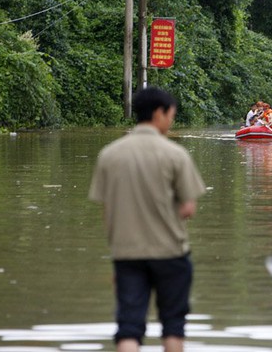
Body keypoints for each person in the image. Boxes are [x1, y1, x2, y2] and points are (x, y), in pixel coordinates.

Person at [88, 87, 206, 352]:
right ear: (158, 113)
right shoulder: (175, 154)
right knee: (173, 328)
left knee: (129, 328)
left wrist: (117, 252)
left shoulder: (109, 154)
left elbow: (107, 211)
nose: (171, 121)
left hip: (127, 254)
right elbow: (188, 207)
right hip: (170, 253)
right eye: (171, 115)